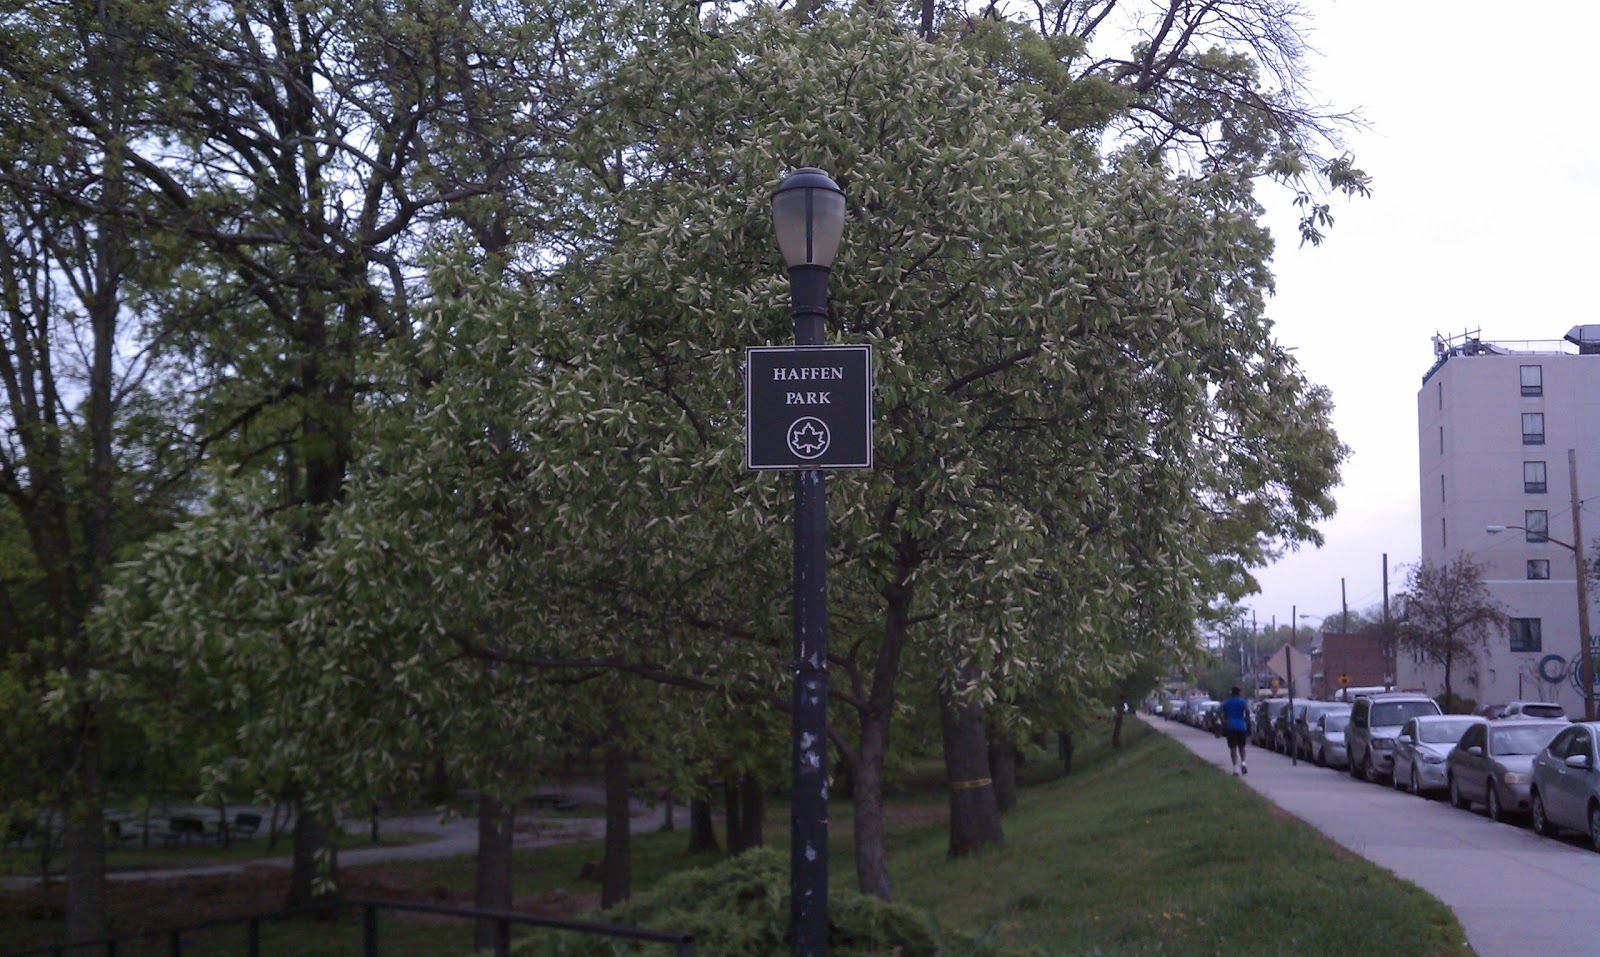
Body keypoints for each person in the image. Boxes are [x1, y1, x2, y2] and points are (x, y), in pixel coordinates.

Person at [1220, 686, 1251, 775]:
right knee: (1242, 746)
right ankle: (1243, 763)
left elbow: (1223, 713)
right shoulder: (1243, 701)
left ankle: (1235, 768)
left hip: (1231, 726)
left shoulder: (1227, 702)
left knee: (1233, 748)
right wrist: (1246, 719)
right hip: (1242, 726)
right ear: (1239, 693)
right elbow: (1247, 710)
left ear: (1232, 693)